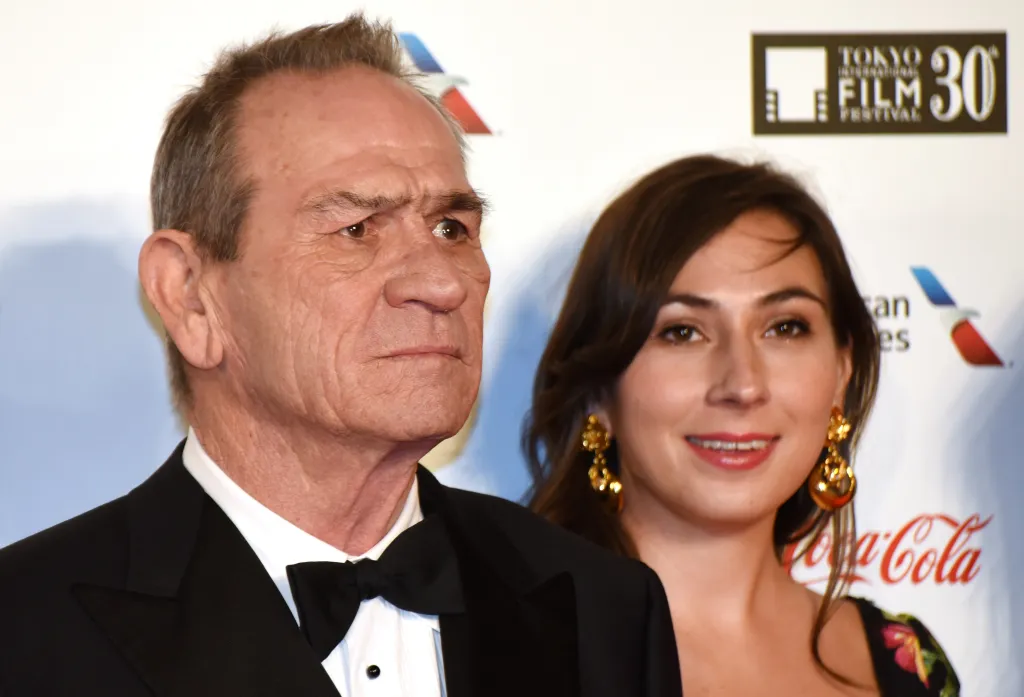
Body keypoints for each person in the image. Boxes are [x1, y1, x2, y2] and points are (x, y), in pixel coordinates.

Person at [0, 16, 682, 697]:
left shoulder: (603, 609)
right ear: (190, 296)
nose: (441, 283)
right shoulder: (23, 631)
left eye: (452, 228)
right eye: (356, 229)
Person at [525, 154, 961, 697]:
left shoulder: (907, 663)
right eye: (682, 332)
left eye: (784, 327)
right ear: (598, 389)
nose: (743, 384)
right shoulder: (502, 648)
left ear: (841, 373)